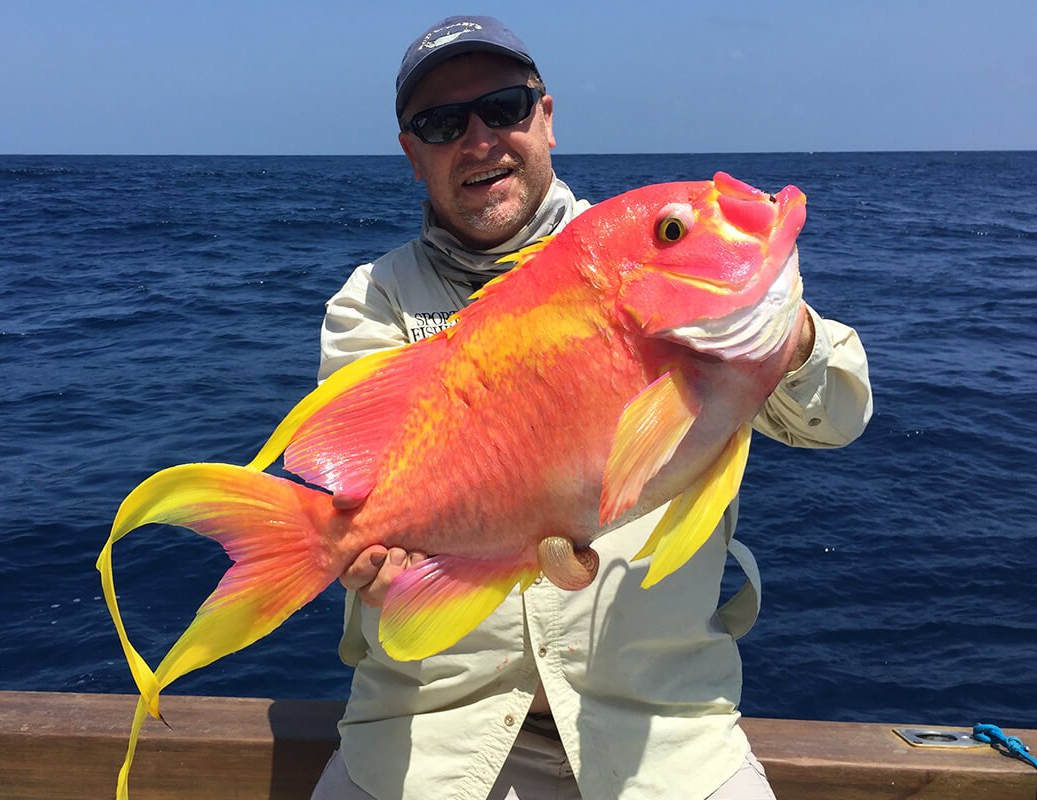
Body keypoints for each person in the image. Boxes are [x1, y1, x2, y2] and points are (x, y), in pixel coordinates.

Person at [310, 16, 872, 800]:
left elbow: (840, 416)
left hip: (666, 741)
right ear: (412, 153)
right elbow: (372, 500)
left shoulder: (636, 249)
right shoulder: (371, 304)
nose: (479, 140)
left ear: (545, 115)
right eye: (441, 124)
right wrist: (384, 571)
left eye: (503, 107)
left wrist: (782, 328)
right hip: (428, 740)